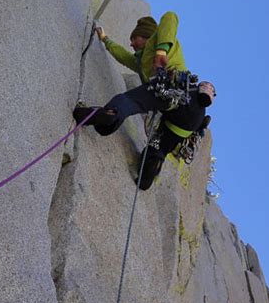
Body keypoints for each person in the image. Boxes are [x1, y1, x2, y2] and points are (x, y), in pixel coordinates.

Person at [73, 12, 215, 190]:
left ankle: (110, 114)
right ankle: (149, 171)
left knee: (130, 101)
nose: (131, 43)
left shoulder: (159, 42)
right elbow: (123, 56)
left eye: (135, 38)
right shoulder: (141, 62)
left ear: (147, 36)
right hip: (187, 122)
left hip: (171, 90)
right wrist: (105, 39)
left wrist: (161, 51)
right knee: (158, 147)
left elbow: (170, 17)